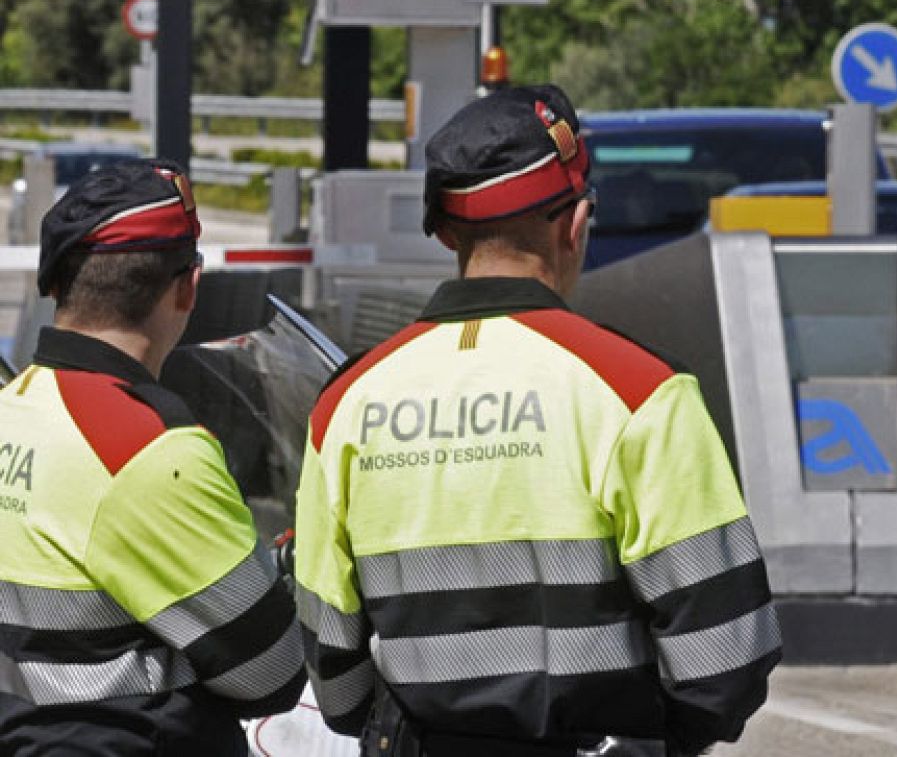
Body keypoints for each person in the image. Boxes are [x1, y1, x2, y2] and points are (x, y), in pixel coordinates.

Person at [294, 85, 781, 757]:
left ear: (444, 233)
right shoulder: (640, 391)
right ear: (576, 222)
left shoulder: (345, 403)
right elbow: (726, 654)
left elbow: (334, 671)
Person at [0, 160, 306, 755]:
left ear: (55, 283)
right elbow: (271, 674)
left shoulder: (12, 409)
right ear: (188, 287)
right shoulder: (146, 448)